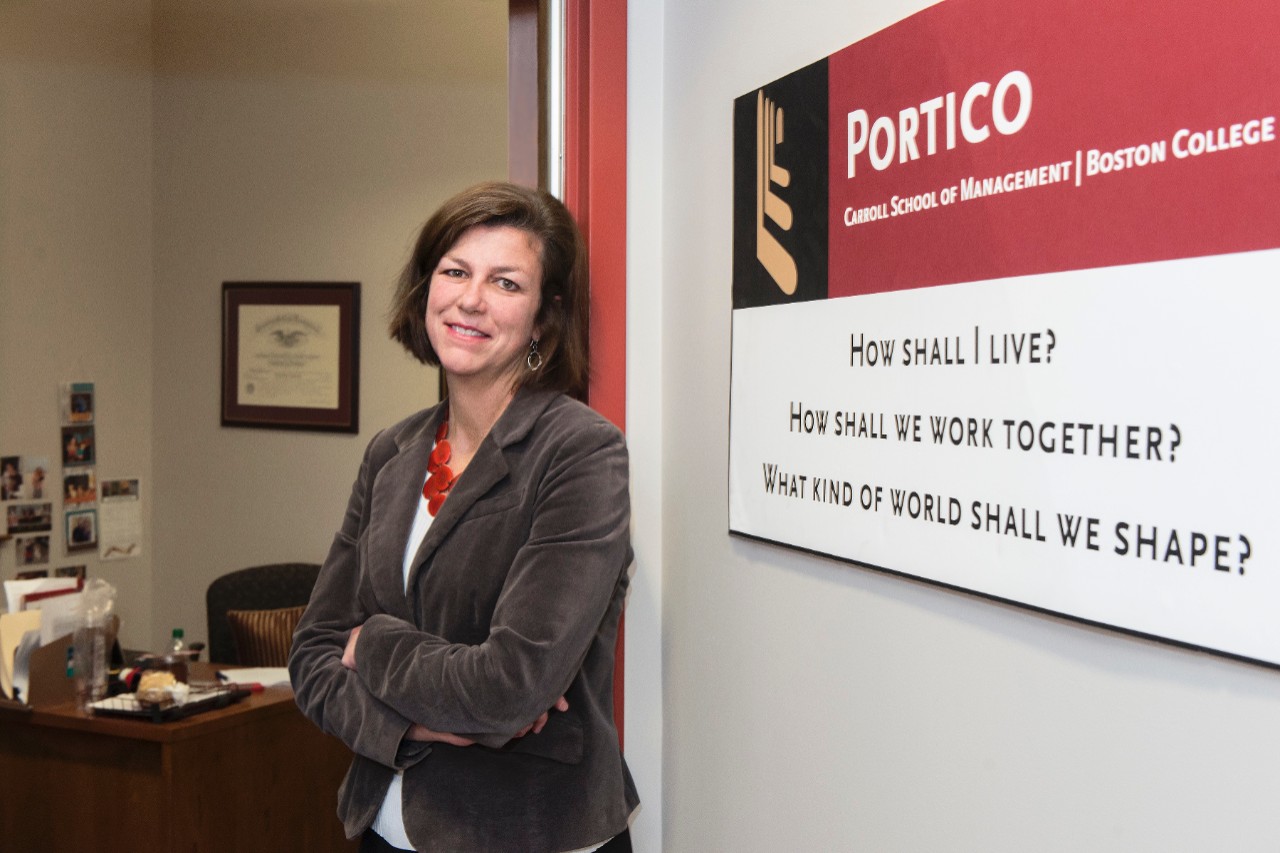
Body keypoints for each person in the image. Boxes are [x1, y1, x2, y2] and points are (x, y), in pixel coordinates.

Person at [289, 182, 638, 853]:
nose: (471, 298)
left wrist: (373, 644)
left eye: (505, 282)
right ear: (427, 291)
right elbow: (309, 655)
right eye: (455, 271)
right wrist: (409, 727)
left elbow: (508, 688)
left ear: (543, 316)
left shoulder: (581, 452)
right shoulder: (392, 451)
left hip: (526, 835)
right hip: (385, 828)